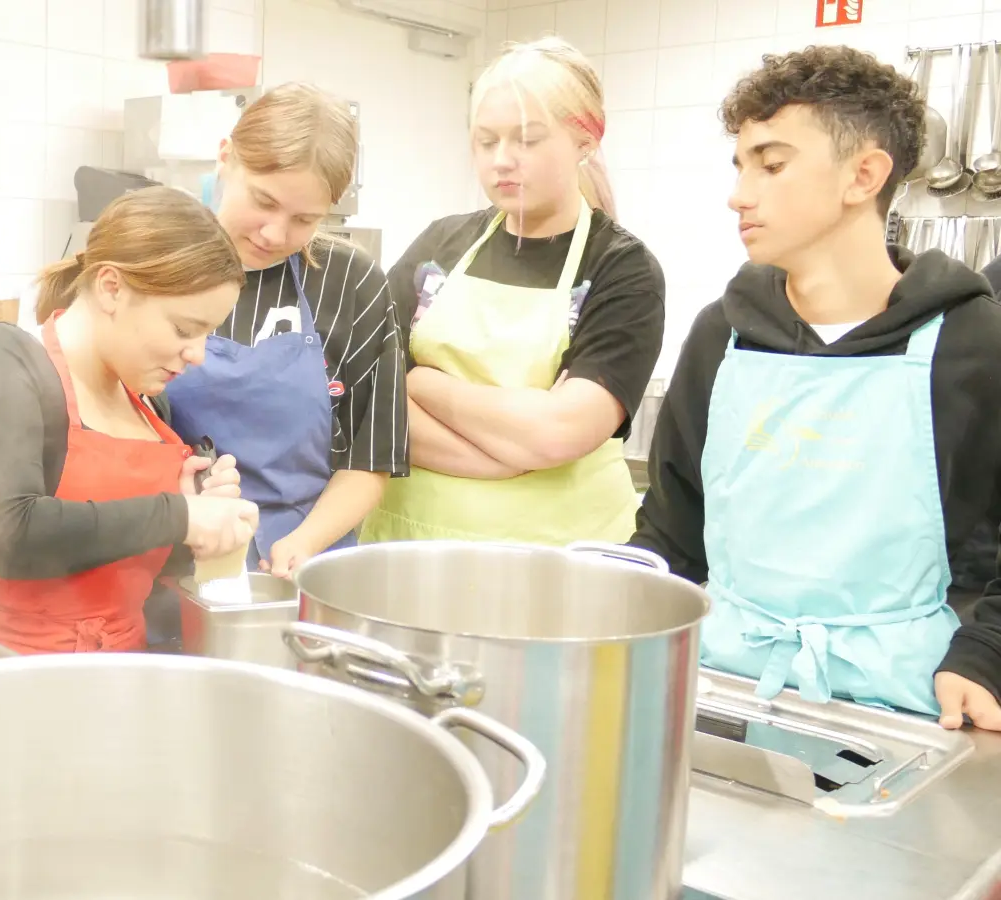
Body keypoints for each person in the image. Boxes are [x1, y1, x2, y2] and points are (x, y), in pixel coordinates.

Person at [631, 45, 1001, 731]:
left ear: (864, 175)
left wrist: (987, 657)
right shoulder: (724, 335)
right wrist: (619, 597)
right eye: (740, 166)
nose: (739, 194)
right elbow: (674, 527)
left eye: (771, 165)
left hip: (909, 705)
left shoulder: (970, 341)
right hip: (724, 683)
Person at [0, 186, 260, 655]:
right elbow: (10, 535)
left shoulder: (146, 403)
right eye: (184, 329)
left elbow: (129, 560)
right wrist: (176, 515)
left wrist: (196, 524)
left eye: (207, 333)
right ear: (111, 288)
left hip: (119, 675)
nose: (197, 355)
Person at [364, 37, 665, 547]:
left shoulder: (621, 269)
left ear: (586, 140)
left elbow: (560, 432)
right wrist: (501, 455)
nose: (502, 160)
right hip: (412, 545)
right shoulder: (440, 244)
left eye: (527, 140)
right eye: (486, 141)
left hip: (560, 558)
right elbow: (367, 398)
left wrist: (421, 385)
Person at [164, 83, 409, 578]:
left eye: (304, 219)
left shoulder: (350, 282)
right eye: (263, 201)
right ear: (225, 157)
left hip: (305, 562)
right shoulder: (159, 260)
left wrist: (302, 545)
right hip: (170, 551)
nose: (274, 234)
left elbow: (371, 456)